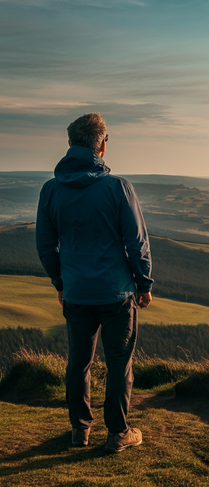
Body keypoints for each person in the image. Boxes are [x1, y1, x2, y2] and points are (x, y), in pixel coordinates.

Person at [36, 113, 153, 453]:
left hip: (76, 292)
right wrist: (144, 284)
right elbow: (137, 242)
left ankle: (79, 429)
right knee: (119, 363)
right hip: (116, 293)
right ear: (103, 144)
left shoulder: (50, 190)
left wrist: (60, 281)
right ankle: (117, 433)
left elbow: (46, 245)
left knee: (78, 362)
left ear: (70, 144)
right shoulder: (118, 188)